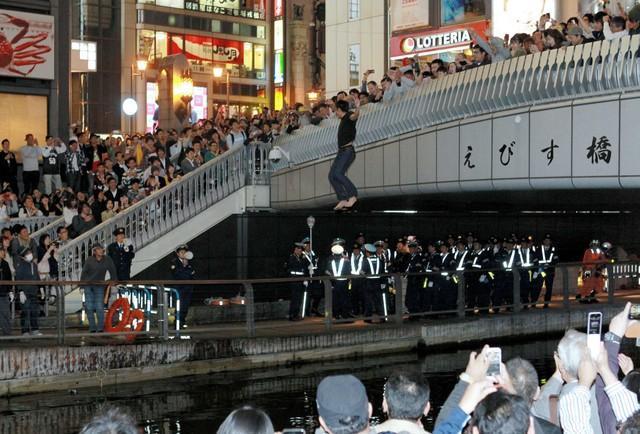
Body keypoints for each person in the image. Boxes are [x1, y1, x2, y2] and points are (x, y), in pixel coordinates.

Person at [330, 98, 360, 211]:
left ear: (339, 109)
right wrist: (332, 103)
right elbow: (336, 108)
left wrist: (358, 107)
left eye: (336, 110)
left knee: (338, 173)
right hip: (341, 151)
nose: (335, 112)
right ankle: (342, 198)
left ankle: (352, 195)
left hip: (348, 151)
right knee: (332, 175)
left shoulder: (348, 116)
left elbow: (355, 116)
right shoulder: (342, 119)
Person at [80, 244, 117, 333]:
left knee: (99, 307)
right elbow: (84, 273)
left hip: (99, 285)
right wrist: (81, 286)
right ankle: (92, 327)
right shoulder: (89, 260)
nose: (101, 251)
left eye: (102, 249)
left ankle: (100, 328)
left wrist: (114, 281)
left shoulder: (107, 259)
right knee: (89, 307)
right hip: (88, 285)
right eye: (98, 249)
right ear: (94, 251)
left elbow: (112, 270)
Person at [14, 247, 42, 336]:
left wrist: (41, 288)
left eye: (30, 252)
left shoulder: (34, 265)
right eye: (28, 253)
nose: (31, 254)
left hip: (34, 292)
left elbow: (37, 277)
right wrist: (20, 291)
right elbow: (17, 279)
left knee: (34, 311)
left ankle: (35, 330)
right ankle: (25, 331)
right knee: (25, 312)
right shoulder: (20, 266)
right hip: (25, 293)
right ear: (23, 256)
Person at [170, 244, 196, 328]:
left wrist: (187, 270)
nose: (183, 254)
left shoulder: (190, 261)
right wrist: (185, 267)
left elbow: (193, 273)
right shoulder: (174, 262)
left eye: (185, 252)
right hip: (179, 288)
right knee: (179, 306)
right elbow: (178, 275)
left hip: (188, 287)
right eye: (181, 252)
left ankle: (182, 321)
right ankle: (177, 323)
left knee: (185, 306)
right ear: (177, 254)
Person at [327, 243, 351, 320]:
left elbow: (328, 271)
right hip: (344, 282)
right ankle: (345, 314)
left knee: (335, 299)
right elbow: (349, 271)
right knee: (344, 299)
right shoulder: (346, 261)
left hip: (335, 282)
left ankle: (336, 314)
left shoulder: (331, 261)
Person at [535, 234, 558, 308]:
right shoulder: (538, 249)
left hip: (550, 271)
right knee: (538, 286)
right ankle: (534, 302)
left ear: (550, 242)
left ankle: (546, 303)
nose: (547, 242)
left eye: (548, 240)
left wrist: (550, 264)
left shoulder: (554, 249)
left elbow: (556, 260)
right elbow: (535, 259)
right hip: (541, 271)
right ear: (543, 241)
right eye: (545, 240)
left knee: (549, 288)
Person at [286, 242, 307, 321]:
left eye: (301, 250)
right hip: (294, 280)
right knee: (294, 298)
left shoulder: (301, 258)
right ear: (295, 250)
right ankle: (292, 315)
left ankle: (296, 314)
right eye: (299, 250)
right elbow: (292, 268)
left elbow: (304, 269)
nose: (300, 251)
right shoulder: (292, 258)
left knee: (298, 299)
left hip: (300, 281)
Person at [0, 247, 13, 336]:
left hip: (4, 292)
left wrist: (10, 290)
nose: (3, 253)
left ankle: (7, 333)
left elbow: (9, 278)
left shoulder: (5, 264)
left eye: (3, 252)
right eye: (1, 252)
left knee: (6, 313)